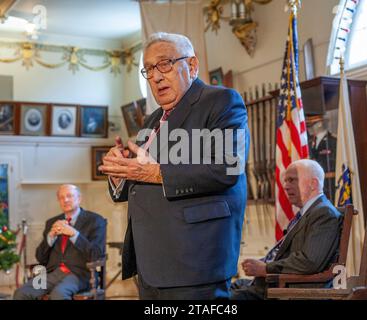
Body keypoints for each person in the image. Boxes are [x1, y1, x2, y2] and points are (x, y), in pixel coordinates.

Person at [99, 32, 249, 300]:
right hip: (150, 264)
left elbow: (226, 168)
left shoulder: (221, 101)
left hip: (193, 261)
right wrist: (120, 171)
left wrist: (154, 172)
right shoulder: (152, 119)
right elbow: (140, 180)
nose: (155, 76)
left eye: (164, 64)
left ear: (191, 66)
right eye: (148, 69)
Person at [230, 159, 341, 300]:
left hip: (287, 290)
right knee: (223, 289)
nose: (286, 186)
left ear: (313, 184)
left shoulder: (324, 213)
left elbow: (310, 262)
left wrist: (265, 268)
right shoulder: (307, 213)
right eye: (285, 181)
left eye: (292, 180)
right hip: (270, 284)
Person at [13, 184, 106, 300]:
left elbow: (96, 254)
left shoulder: (95, 220)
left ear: (79, 198)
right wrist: (50, 238)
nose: (65, 200)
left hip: (80, 274)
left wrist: (74, 234)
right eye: (61, 197)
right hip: (51, 273)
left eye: (69, 196)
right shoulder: (52, 222)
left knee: (59, 294)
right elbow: (40, 257)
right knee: (21, 292)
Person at [307, 115, 337, 202]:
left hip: (329, 184)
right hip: (314, 186)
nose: (309, 128)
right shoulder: (310, 143)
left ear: (319, 124)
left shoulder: (332, 141)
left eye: (312, 125)